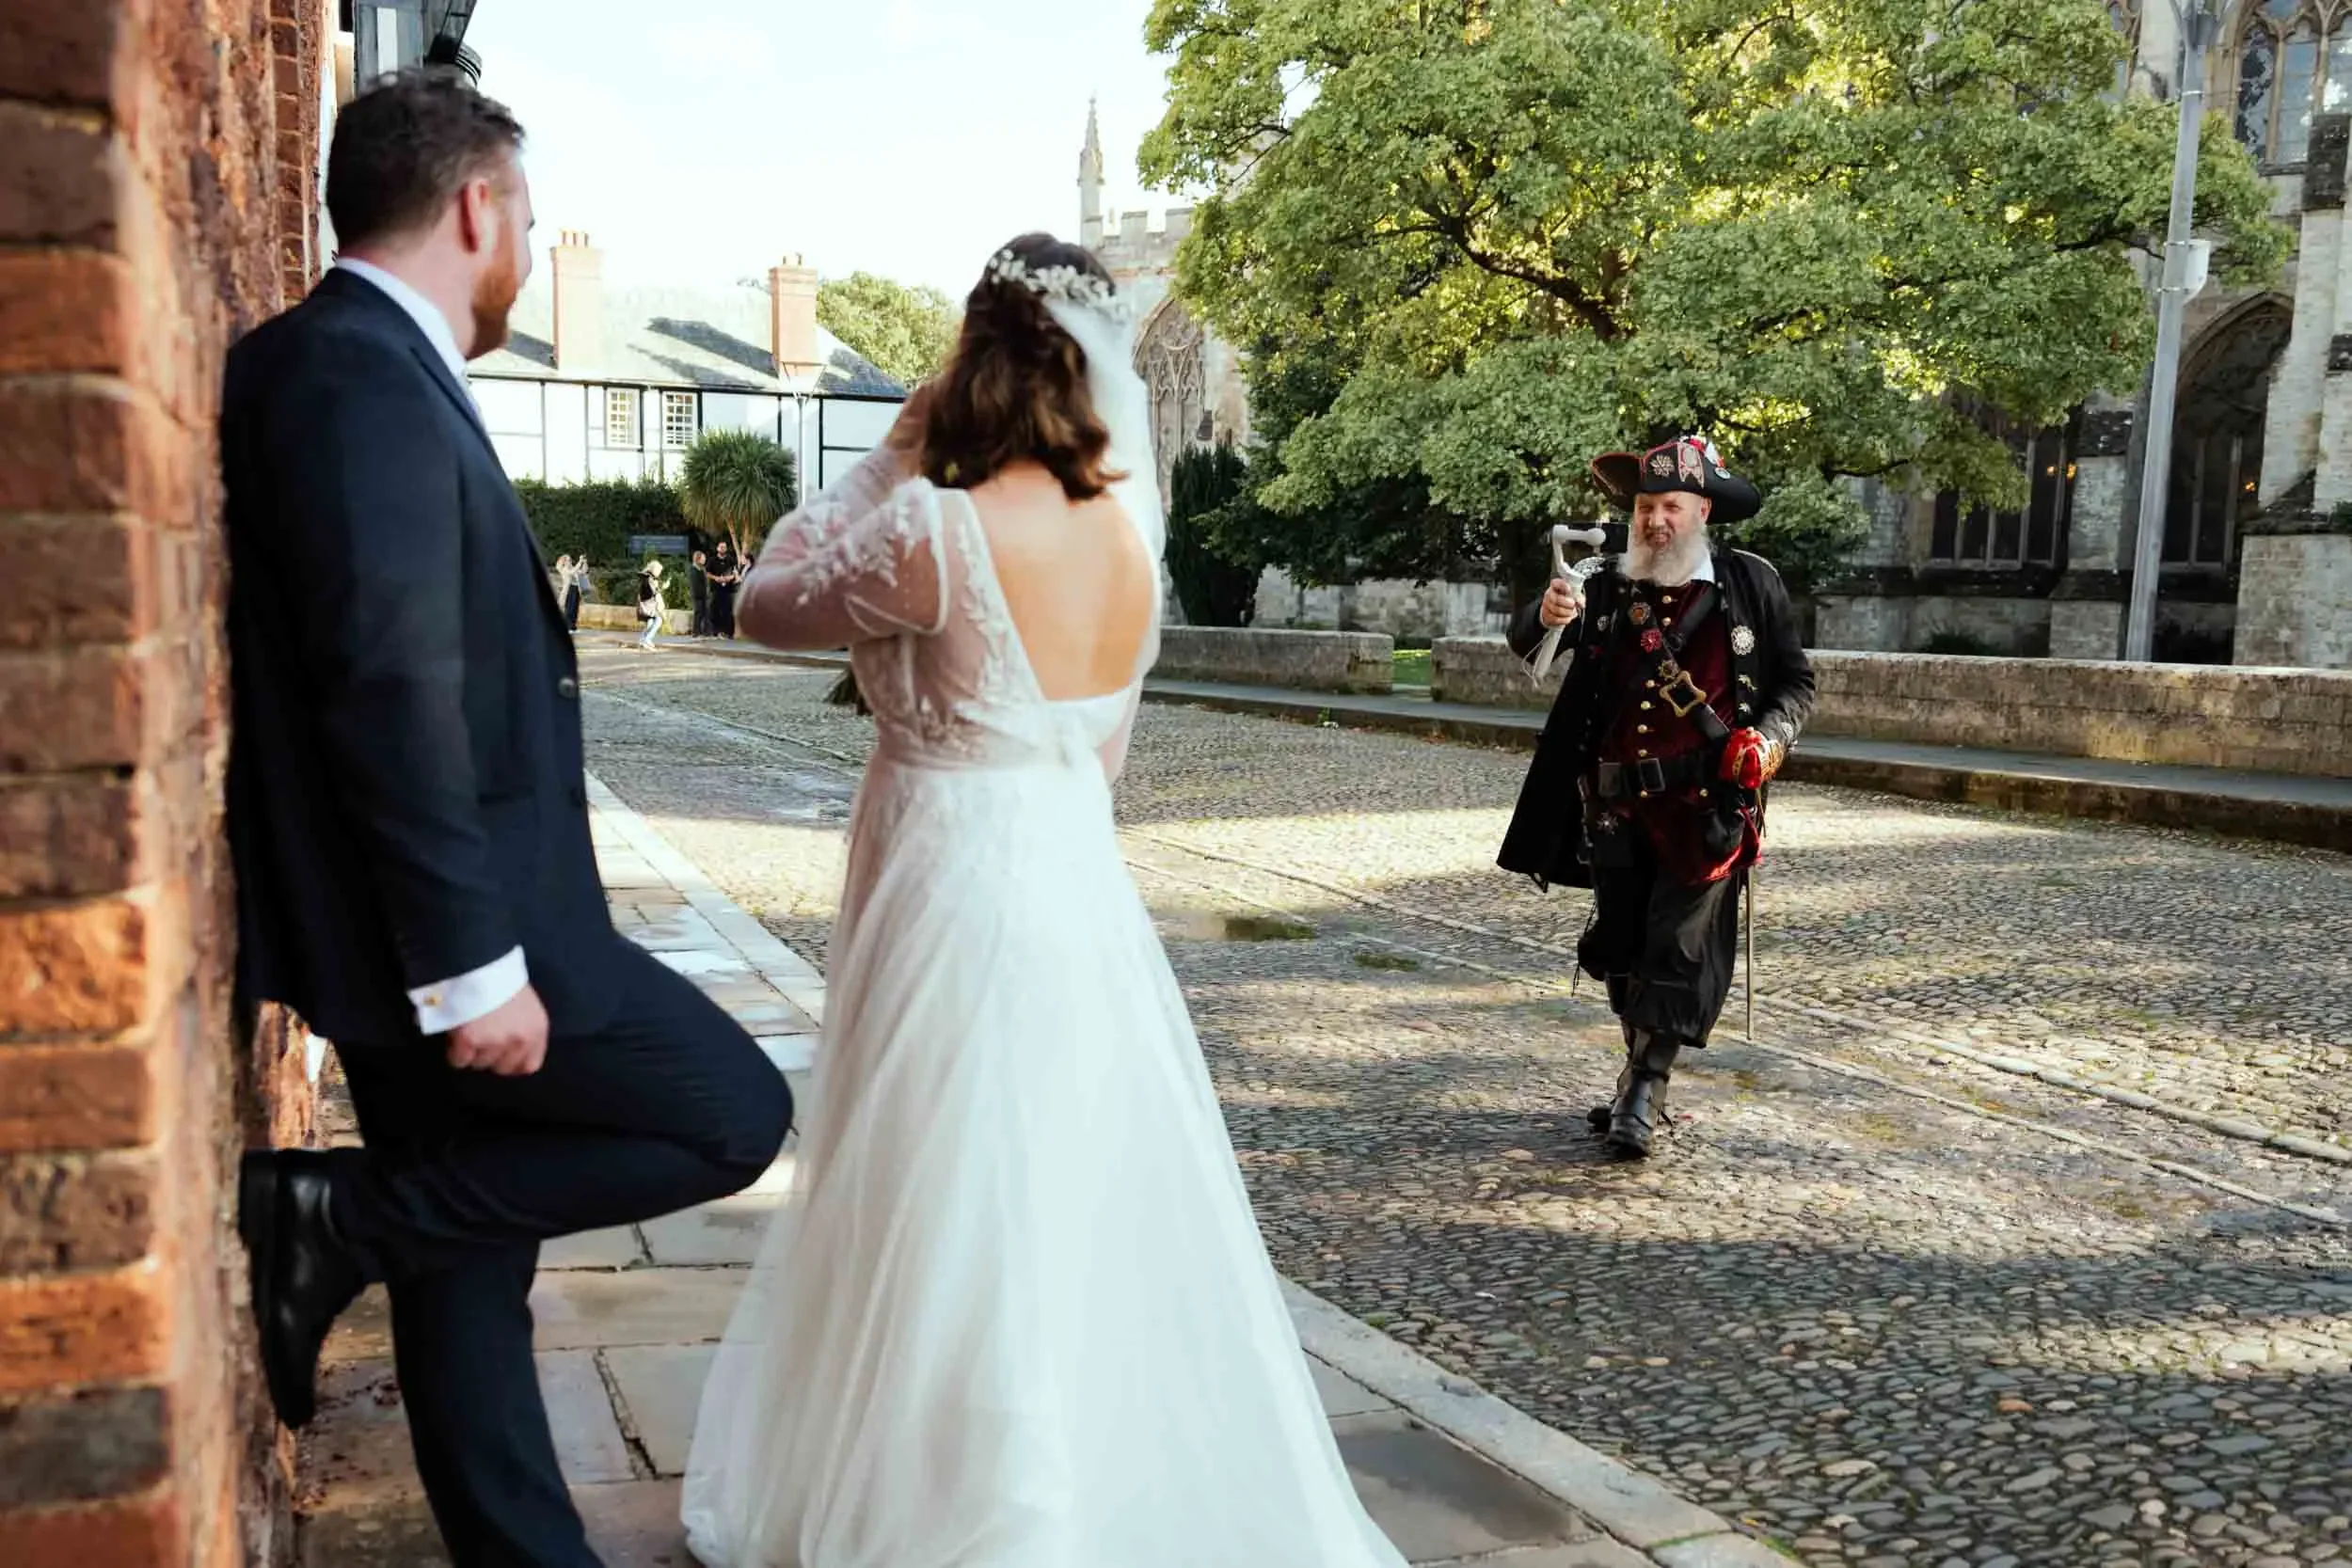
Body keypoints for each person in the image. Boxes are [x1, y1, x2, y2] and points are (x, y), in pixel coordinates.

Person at [678, 233, 1406, 1568]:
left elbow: (766, 602)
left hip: (946, 880)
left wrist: (887, 454)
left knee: (939, 1188)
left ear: (976, 368)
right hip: (1072, 888)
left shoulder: (934, 523)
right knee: (1058, 1190)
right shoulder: (1129, 547)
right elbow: (1103, 758)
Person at [220, 73, 789, 1568]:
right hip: (465, 925)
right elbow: (386, 674)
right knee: (732, 1109)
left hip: (437, 909)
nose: (527, 250)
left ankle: (524, 1544)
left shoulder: (348, 362)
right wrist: (476, 964)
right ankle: (337, 1215)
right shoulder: (350, 370)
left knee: (468, 1253)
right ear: (477, 207)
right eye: (525, 219)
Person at [1498, 436, 1815, 1158]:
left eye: (1671, 505)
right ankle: (1633, 1079)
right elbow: (1526, 647)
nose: (1655, 520)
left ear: (1701, 510)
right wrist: (1544, 615)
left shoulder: (1750, 583)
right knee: (1621, 947)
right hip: (1612, 805)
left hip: (1705, 807)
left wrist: (1770, 740)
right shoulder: (1605, 585)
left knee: (1678, 946)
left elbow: (1797, 684)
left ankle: (1645, 1088)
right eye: (1645, 506)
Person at [707, 537, 740, 639]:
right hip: (716, 590)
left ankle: (729, 633)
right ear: (717, 548)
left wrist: (729, 578)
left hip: (728, 590)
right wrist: (716, 578)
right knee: (714, 611)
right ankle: (716, 632)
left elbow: (735, 573)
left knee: (728, 611)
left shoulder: (731, 559)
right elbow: (707, 573)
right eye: (721, 547)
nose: (723, 549)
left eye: (724, 547)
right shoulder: (712, 560)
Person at [636, 556, 666, 649]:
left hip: (645, 604)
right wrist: (662, 588)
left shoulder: (646, 577)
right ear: (655, 570)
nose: (660, 573)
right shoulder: (650, 579)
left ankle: (642, 640)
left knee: (650, 622)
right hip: (649, 605)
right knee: (659, 620)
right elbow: (654, 593)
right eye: (659, 571)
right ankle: (647, 639)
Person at [688, 547, 712, 638]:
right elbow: (695, 585)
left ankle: (706, 631)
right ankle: (696, 632)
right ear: (698, 559)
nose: (704, 559)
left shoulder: (702, 569)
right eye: (703, 558)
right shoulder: (693, 570)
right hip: (698, 596)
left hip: (704, 595)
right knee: (698, 613)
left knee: (706, 613)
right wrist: (702, 594)